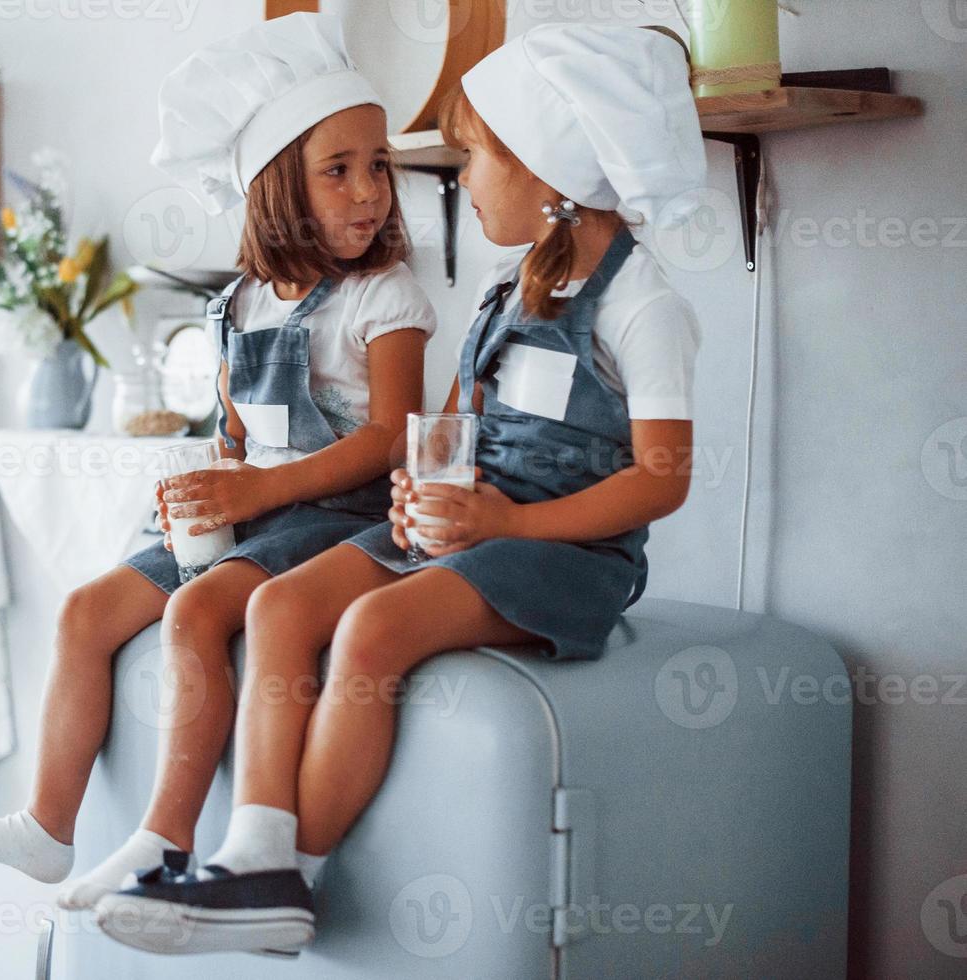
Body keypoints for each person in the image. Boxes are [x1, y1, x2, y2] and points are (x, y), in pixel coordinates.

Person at [95, 23, 707, 956]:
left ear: (547, 176)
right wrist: (423, 492)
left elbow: (662, 483)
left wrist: (510, 519)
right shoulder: (511, 287)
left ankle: (292, 875)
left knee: (372, 629)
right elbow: (449, 426)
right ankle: (250, 856)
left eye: (476, 157)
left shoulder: (642, 305)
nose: (462, 177)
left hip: (567, 553)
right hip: (475, 528)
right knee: (284, 607)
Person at [0, 11, 438, 915]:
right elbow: (236, 438)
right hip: (259, 509)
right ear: (278, 188)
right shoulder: (237, 302)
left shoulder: (383, 296)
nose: (369, 192)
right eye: (340, 169)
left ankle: (163, 840)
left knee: (198, 612)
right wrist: (211, 487)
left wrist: (261, 486)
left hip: (338, 517)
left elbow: (393, 435)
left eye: (378, 165)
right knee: (85, 614)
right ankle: (48, 827)